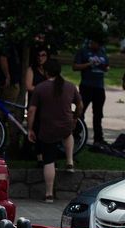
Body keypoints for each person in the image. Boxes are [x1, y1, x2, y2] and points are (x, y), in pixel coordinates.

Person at [27, 59, 83, 203]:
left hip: (47, 130)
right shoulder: (70, 86)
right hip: (65, 125)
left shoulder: (40, 88)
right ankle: (69, 161)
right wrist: (75, 118)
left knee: (49, 161)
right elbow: (80, 104)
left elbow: (32, 110)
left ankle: (49, 194)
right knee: (68, 133)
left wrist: (30, 129)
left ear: (46, 72)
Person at [72, 35, 109, 145]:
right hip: (86, 86)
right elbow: (75, 67)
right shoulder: (83, 51)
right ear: (91, 42)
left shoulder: (102, 52)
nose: (97, 45)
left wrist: (102, 66)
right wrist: (89, 64)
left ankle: (98, 138)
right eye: (96, 43)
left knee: (98, 114)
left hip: (99, 87)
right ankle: (76, 134)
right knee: (81, 110)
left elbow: (107, 67)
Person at [25, 46, 49, 165]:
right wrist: (43, 89)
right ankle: (39, 156)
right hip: (35, 102)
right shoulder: (31, 69)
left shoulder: (49, 69)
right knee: (36, 129)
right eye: (39, 56)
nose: (41, 58)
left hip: (47, 104)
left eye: (43, 55)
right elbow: (29, 87)